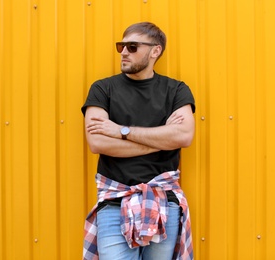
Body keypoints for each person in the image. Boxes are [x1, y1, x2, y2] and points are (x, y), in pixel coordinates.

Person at [81, 22, 195, 260]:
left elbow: (183, 136)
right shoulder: (103, 89)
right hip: (114, 201)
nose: (123, 52)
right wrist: (162, 137)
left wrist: (121, 131)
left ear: (155, 51)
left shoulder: (176, 90)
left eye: (132, 47)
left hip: (164, 201)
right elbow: (97, 143)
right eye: (121, 46)